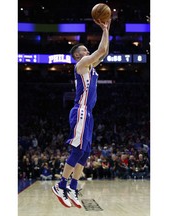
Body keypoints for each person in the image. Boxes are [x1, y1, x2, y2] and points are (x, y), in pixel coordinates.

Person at [52, 18, 111, 208]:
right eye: (85, 50)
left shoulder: (91, 67)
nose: (88, 51)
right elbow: (101, 51)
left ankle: (73, 187)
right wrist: (104, 29)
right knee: (78, 149)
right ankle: (61, 185)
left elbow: (105, 51)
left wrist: (107, 30)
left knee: (85, 153)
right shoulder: (82, 64)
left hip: (89, 114)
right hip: (81, 111)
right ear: (79, 55)